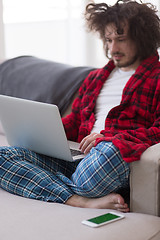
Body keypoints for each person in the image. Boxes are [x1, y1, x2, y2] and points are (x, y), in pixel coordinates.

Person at [1, 0, 160, 212]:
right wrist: (43, 131)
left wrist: (109, 138)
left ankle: (50, 185)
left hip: (111, 159)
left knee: (109, 152)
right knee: (3, 156)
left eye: (121, 40)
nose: (113, 48)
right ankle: (79, 200)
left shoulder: (157, 78)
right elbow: (75, 121)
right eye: (108, 39)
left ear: (142, 38)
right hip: (80, 158)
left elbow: (157, 131)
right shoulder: (96, 78)